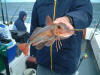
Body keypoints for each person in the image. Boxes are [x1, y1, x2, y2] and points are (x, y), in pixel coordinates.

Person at [29, 0, 93, 75]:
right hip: (43, 62)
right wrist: (33, 54)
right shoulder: (39, 2)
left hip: (67, 64)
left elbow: (85, 12)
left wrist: (70, 19)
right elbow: (34, 27)